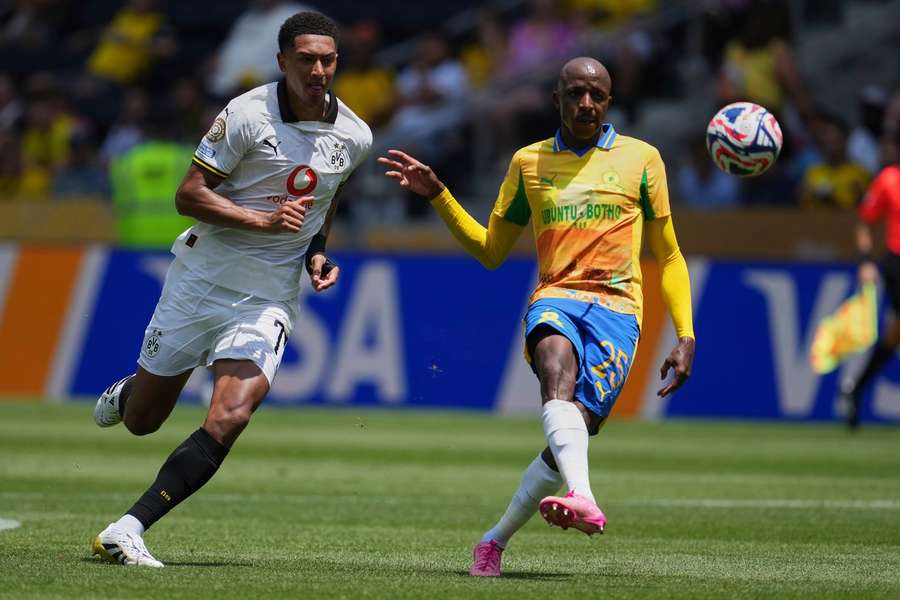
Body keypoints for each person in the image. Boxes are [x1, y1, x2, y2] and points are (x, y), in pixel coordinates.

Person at [379, 57, 695, 577]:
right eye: (575, 94)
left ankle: (495, 539)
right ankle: (585, 496)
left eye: (596, 95)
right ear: (557, 100)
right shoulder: (529, 163)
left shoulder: (643, 160)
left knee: (572, 434)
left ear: (609, 102)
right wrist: (438, 194)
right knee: (555, 373)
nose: (586, 104)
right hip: (557, 296)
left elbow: (671, 254)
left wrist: (685, 334)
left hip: (619, 310)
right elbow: (490, 249)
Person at [90, 11, 372, 567]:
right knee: (145, 421)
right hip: (202, 280)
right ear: (283, 61)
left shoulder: (355, 135)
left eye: (328, 60)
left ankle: (128, 528)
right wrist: (260, 220)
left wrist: (317, 253)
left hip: (269, 293)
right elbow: (189, 195)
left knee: (231, 415)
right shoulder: (245, 115)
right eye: (307, 59)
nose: (319, 70)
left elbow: (325, 202)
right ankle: (129, 393)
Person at [839, 125, 900, 429]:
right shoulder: (889, 180)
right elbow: (865, 223)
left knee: (893, 335)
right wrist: (865, 261)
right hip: (896, 263)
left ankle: (854, 388)